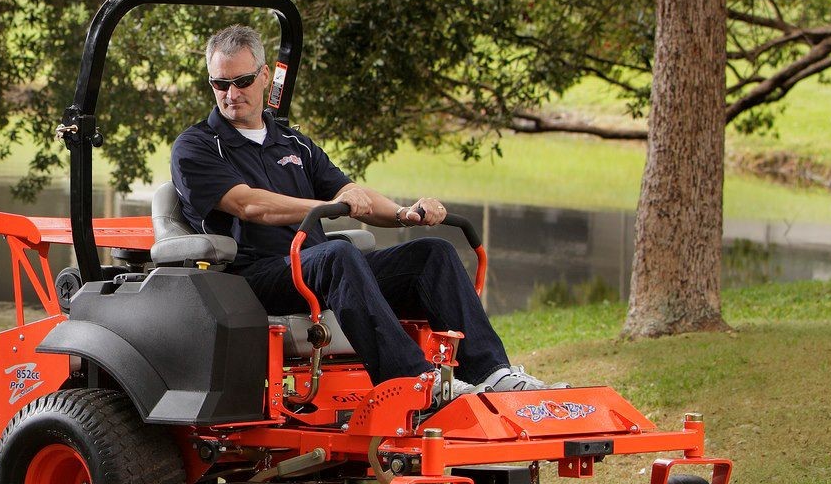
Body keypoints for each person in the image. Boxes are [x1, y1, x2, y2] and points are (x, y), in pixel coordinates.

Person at [168, 23, 560, 397]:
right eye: (220, 84)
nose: (231, 93)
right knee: (338, 254)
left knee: (431, 254)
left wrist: (406, 213)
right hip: (250, 279)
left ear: (266, 75)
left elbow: (352, 193)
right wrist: (328, 207)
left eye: (241, 81)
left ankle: (493, 374)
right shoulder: (197, 146)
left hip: (315, 268)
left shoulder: (293, 143)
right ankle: (413, 382)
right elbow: (249, 204)